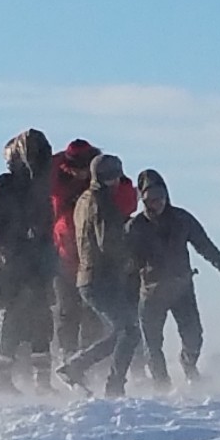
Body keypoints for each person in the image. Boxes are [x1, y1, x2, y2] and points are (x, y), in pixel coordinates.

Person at [128, 168, 220, 388]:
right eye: (150, 199)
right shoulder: (135, 227)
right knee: (152, 342)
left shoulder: (181, 219)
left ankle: (189, 365)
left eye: (160, 198)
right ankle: (161, 383)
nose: (156, 203)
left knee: (193, 335)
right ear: (143, 200)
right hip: (151, 292)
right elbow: (126, 262)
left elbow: (204, 245)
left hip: (181, 288)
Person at [57, 153, 142, 396]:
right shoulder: (103, 203)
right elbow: (109, 243)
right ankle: (113, 385)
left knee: (122, 330)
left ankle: (76, 367)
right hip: (102, 276)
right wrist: (131, 257)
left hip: (87, 276)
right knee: (129, 331)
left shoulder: (83, 199)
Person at [0, 129, 57, 393]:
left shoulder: (41, 186)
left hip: (36, 261)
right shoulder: (6, 183)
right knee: (14, 317)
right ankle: (3, 380)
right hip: (12, 261)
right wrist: (20, 236)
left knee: (41, 318)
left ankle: (42, 381)